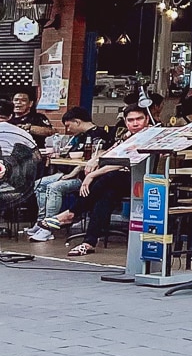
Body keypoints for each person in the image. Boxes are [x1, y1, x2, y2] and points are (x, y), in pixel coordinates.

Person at [42, 102, 153, 255]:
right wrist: (95, 160)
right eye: (131, 120)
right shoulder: (126, 137)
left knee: (108, 177)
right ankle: (89, 243)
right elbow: (111, 152)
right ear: (126, 122)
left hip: (145, 180)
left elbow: (123, 163)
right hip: (122, 182)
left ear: (147, 119)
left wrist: (92, 175)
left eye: (139, 119)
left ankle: (72, 213)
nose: (135, 123)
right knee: (105, 196)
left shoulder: (152, 136)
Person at [26, 106, 105, 239]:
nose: (68, 130)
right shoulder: (77, 137)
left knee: (54, 187)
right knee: (39, 184)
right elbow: (68, 152)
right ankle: (40, 222)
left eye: (69, 126)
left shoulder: (99, 135)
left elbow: (93, 159)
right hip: (67, 173)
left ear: (77, 122)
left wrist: (72, 174)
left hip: (84, 177)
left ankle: (48, 227)